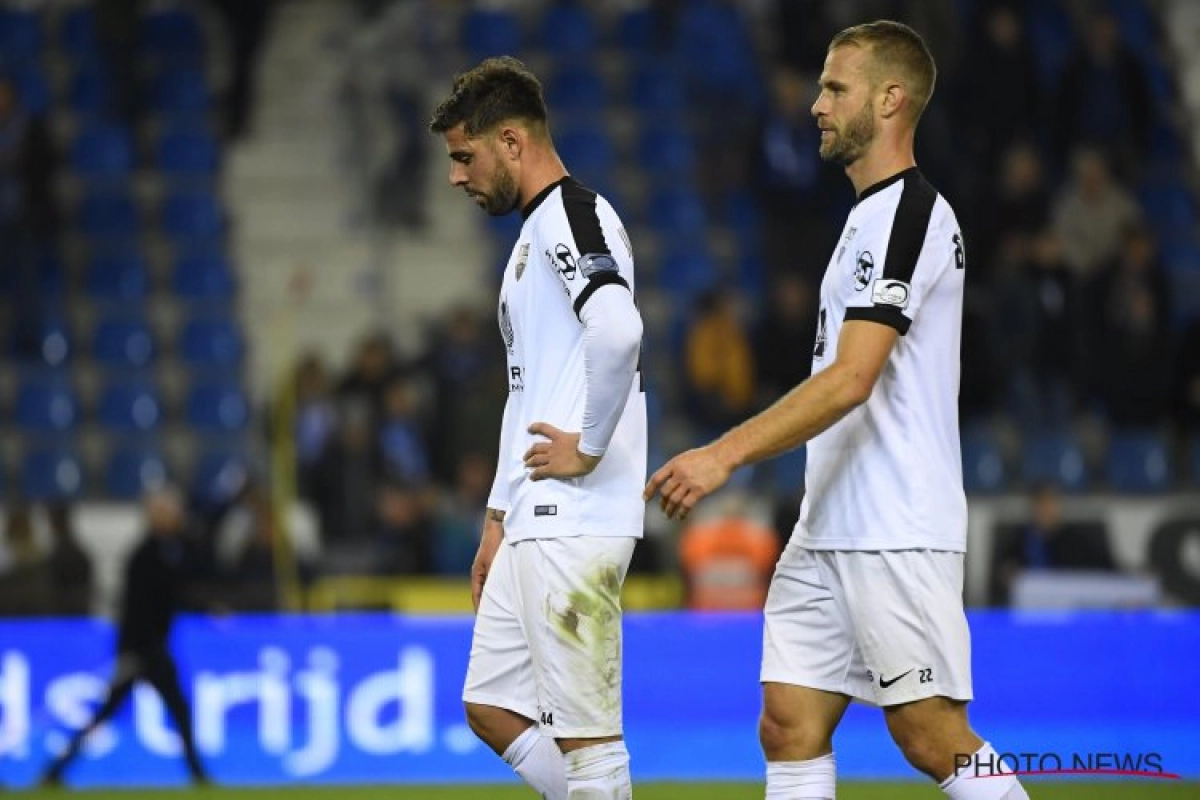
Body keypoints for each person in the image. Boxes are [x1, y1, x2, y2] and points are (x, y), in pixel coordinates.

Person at [644, 21, 1030, 800]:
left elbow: (853, 378)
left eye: (834, 88)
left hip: (894, 526)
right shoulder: (863, 218)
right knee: (787, 724)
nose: (816, 104)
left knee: (929, 736)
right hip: (829, 525)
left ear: (890, 100)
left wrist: (723, 454)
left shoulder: (911, 217)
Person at [429, 57, 646, 799]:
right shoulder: (534, 236)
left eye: (465, 156)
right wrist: (497, 515)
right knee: (489, 706)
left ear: (513, 142)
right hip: (533, 515)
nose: (456, 177)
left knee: (588, 741)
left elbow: (618, 331)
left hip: (574, 516)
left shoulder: (571, 218)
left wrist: (586, 447)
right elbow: (526, 395)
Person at [41, 487, 209, 786]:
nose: (176, 517)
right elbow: (136, 610)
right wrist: (131, 652)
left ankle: (57, 769)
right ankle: (56, 769)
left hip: (151, 648)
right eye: (169, 512)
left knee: (129, 712)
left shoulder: (169, 550)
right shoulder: (145, 555)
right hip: (145, 650)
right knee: (164, 711)